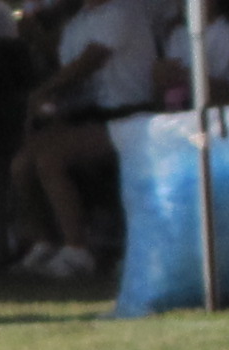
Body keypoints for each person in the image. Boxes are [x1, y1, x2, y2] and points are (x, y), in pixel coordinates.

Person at [10, 0, 155, 274]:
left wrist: (43, 91)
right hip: (87, 114)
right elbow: (62, 60)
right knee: (22, 163)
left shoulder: (122, 11)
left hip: (127, 117)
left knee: (51, 159)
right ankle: (45, 243)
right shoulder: (77, 22)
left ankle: (78, 251)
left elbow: (89, 61)